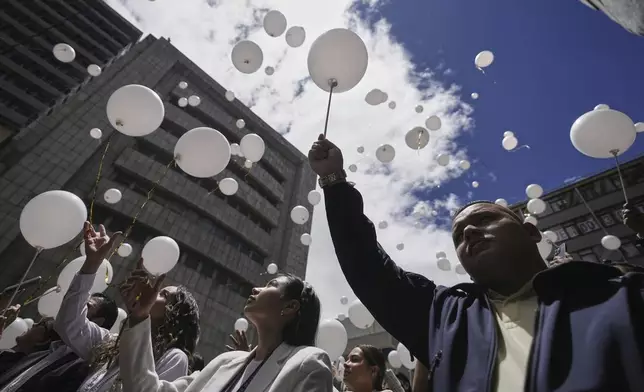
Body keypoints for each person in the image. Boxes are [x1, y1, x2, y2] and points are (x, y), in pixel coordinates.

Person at [309, 134, 644, 392]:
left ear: (530, 231)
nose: (468, 231)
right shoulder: (442, 317)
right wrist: (334, 181)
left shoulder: (619, 295)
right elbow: (367, 266)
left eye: (485, 219)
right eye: (457, 236)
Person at [119, 273, 332, 392]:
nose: (256, 289)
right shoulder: (224, 362)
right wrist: (140, 317)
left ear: (290, 307)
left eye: (271, 285)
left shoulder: (308, 363)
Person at [54, 223, 200, 392]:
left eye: (164, 295)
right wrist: (92, 263)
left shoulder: (175, 357)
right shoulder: (113, 342)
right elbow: (68, 324)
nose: (153, 292)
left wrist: (140, 316)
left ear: (174, 316)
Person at [0, 293, 117, 391]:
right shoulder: (49, 351)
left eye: (86, 306)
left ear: (98, 323)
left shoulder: (80, 368)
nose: (76, 307)